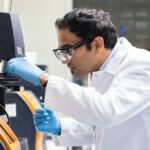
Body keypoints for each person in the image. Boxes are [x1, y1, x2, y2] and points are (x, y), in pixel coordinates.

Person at [6, 8, 150, 150]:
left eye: (68, 51)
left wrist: (44, 79)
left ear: (97, 45)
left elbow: (108, 112)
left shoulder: (141, 64)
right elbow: (97, 127)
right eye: (61, 53)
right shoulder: (100, 70)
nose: (64, 61)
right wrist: (59, 127)